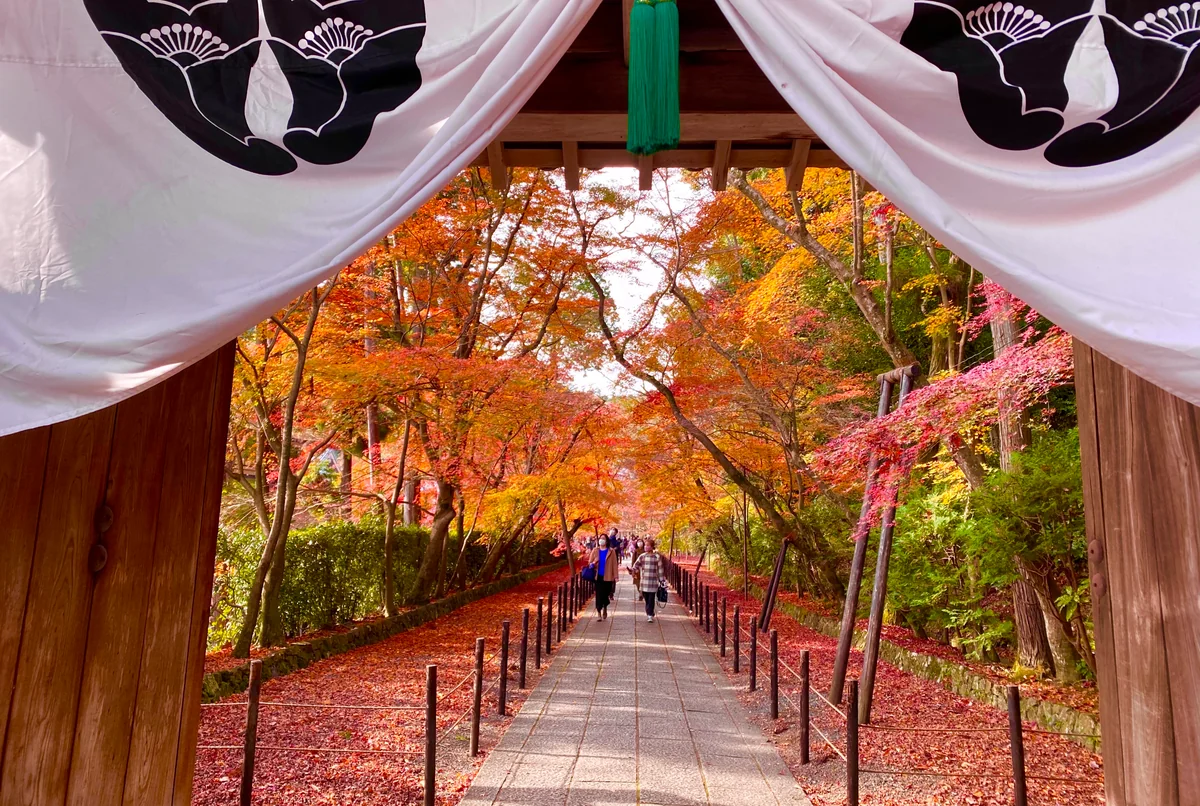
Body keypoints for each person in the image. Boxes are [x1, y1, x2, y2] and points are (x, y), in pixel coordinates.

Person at [629, 538, 665, 622]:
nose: (646, 547)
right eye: (645, 545)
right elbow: (636, 566)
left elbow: (660, 569)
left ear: (652, 547)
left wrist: (662, 580)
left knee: (651, 598)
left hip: (653, 581)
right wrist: (633, 570)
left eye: (648, 545)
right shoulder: (642, 556)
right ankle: (650, 612)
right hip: (644, 581)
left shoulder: (656, 557)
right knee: (646, 598)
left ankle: (649, 614)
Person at [588, 534, 619, 620]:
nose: (602, 540)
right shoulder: (595, 550)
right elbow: (589, 562)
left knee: (606, 594)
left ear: (607, 541)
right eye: (600, 538)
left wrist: (616, 576)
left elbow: (614, 564)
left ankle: (605, 607)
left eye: (603, 539)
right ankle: (598, 612)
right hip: (598, 576)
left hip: (608, 576)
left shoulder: (611, 551)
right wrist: (593, 563)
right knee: (598, 594)